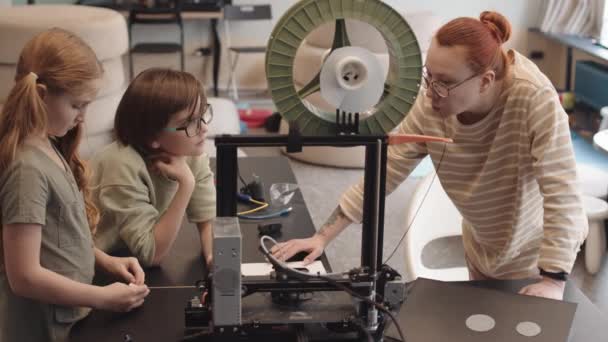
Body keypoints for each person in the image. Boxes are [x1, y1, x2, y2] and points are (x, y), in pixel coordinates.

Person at [271, 11, 588, 300]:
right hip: (482, 249)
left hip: (539, 257)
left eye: (445, 83)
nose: (431, 92)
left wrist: (553, 280)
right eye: (429, 77)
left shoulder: (534, 98)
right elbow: (385, 172)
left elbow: (563, 192)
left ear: (486, 81)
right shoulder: (433, 103)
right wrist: (322, 237)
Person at [0, 28, 150, 342]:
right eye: (77, 105)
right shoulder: (27, 169)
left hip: (71, 316)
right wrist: (103, 298)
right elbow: (24, 276)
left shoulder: (49, 145)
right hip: (45, 328)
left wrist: (105, 261)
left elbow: (58, 235)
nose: (83, 117)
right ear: (40, 95)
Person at [91, 68, 216, 268]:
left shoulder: (190, 151)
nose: (204, 128)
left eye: (203, 114)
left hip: (133, 259)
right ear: (153, 137)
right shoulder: (121, 164)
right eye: (190, 122)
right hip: (98, 264)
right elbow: (151, 255)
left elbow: (207, 217)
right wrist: (186, 184)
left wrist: (213, 258)